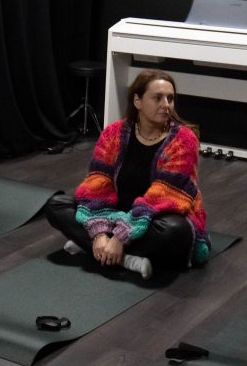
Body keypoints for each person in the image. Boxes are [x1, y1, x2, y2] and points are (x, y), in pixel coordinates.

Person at [44, 69, 210, 280]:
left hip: (154, 218)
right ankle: (121, 256)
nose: (166, 104)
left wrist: (120, 237)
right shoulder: (114, 132)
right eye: (157, 98)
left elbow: (165, 196)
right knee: (56, 204)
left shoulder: (184, 139)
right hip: (116, 212)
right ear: (137, 101)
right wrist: (99, 232)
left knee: (175, 230)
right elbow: (97, 182)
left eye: (170, 98)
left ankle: (95, 248)